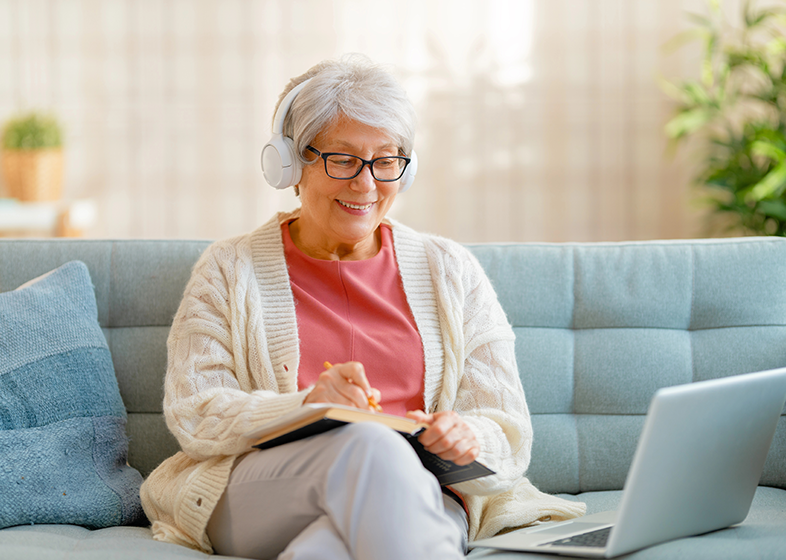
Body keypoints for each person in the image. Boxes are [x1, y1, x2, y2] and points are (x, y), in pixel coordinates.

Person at [139, 54, 584, 559]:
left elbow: (507, 428)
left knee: (327, 548)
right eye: (344, 159)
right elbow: (197, 413)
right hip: (263, 490)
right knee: (370, 446)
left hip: (420, 494)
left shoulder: (451, 270)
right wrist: (307, 405)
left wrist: (468, 437)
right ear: (290, 164)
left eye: (387, 160)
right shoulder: (228, 269)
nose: (367, 184)